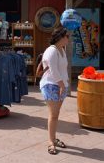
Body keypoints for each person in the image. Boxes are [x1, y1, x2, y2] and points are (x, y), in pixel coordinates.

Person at [40, 27, 70, 155]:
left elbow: (63, 69)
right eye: (67, 36)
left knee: (56, 114)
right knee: (53, 114)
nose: (68, 38)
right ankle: (51, 142)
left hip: (61, 85)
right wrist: (62, 85)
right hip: (51, 85)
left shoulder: (62, 50)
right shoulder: (51, 50)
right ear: (60, 37)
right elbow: (53, 69)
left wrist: (64, 85)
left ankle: (53, 138)